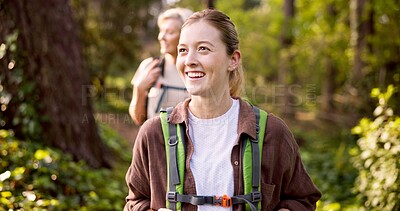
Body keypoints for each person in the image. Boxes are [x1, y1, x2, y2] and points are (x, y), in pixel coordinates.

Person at [124, 9, 321, 211]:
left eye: (203, 49)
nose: (189, 60)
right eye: (183, 50)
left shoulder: (272, 132)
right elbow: (135, 202)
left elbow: (302, 200)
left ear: (233, 60)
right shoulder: (152, 133)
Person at [129, 8, 193, 125]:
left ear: (185, 36)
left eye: (170, 32)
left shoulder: (195, 71)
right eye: (161, 31)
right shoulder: (149, 66)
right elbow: (138, 119)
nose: (161, 37)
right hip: (154, 141)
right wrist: (139, 89)